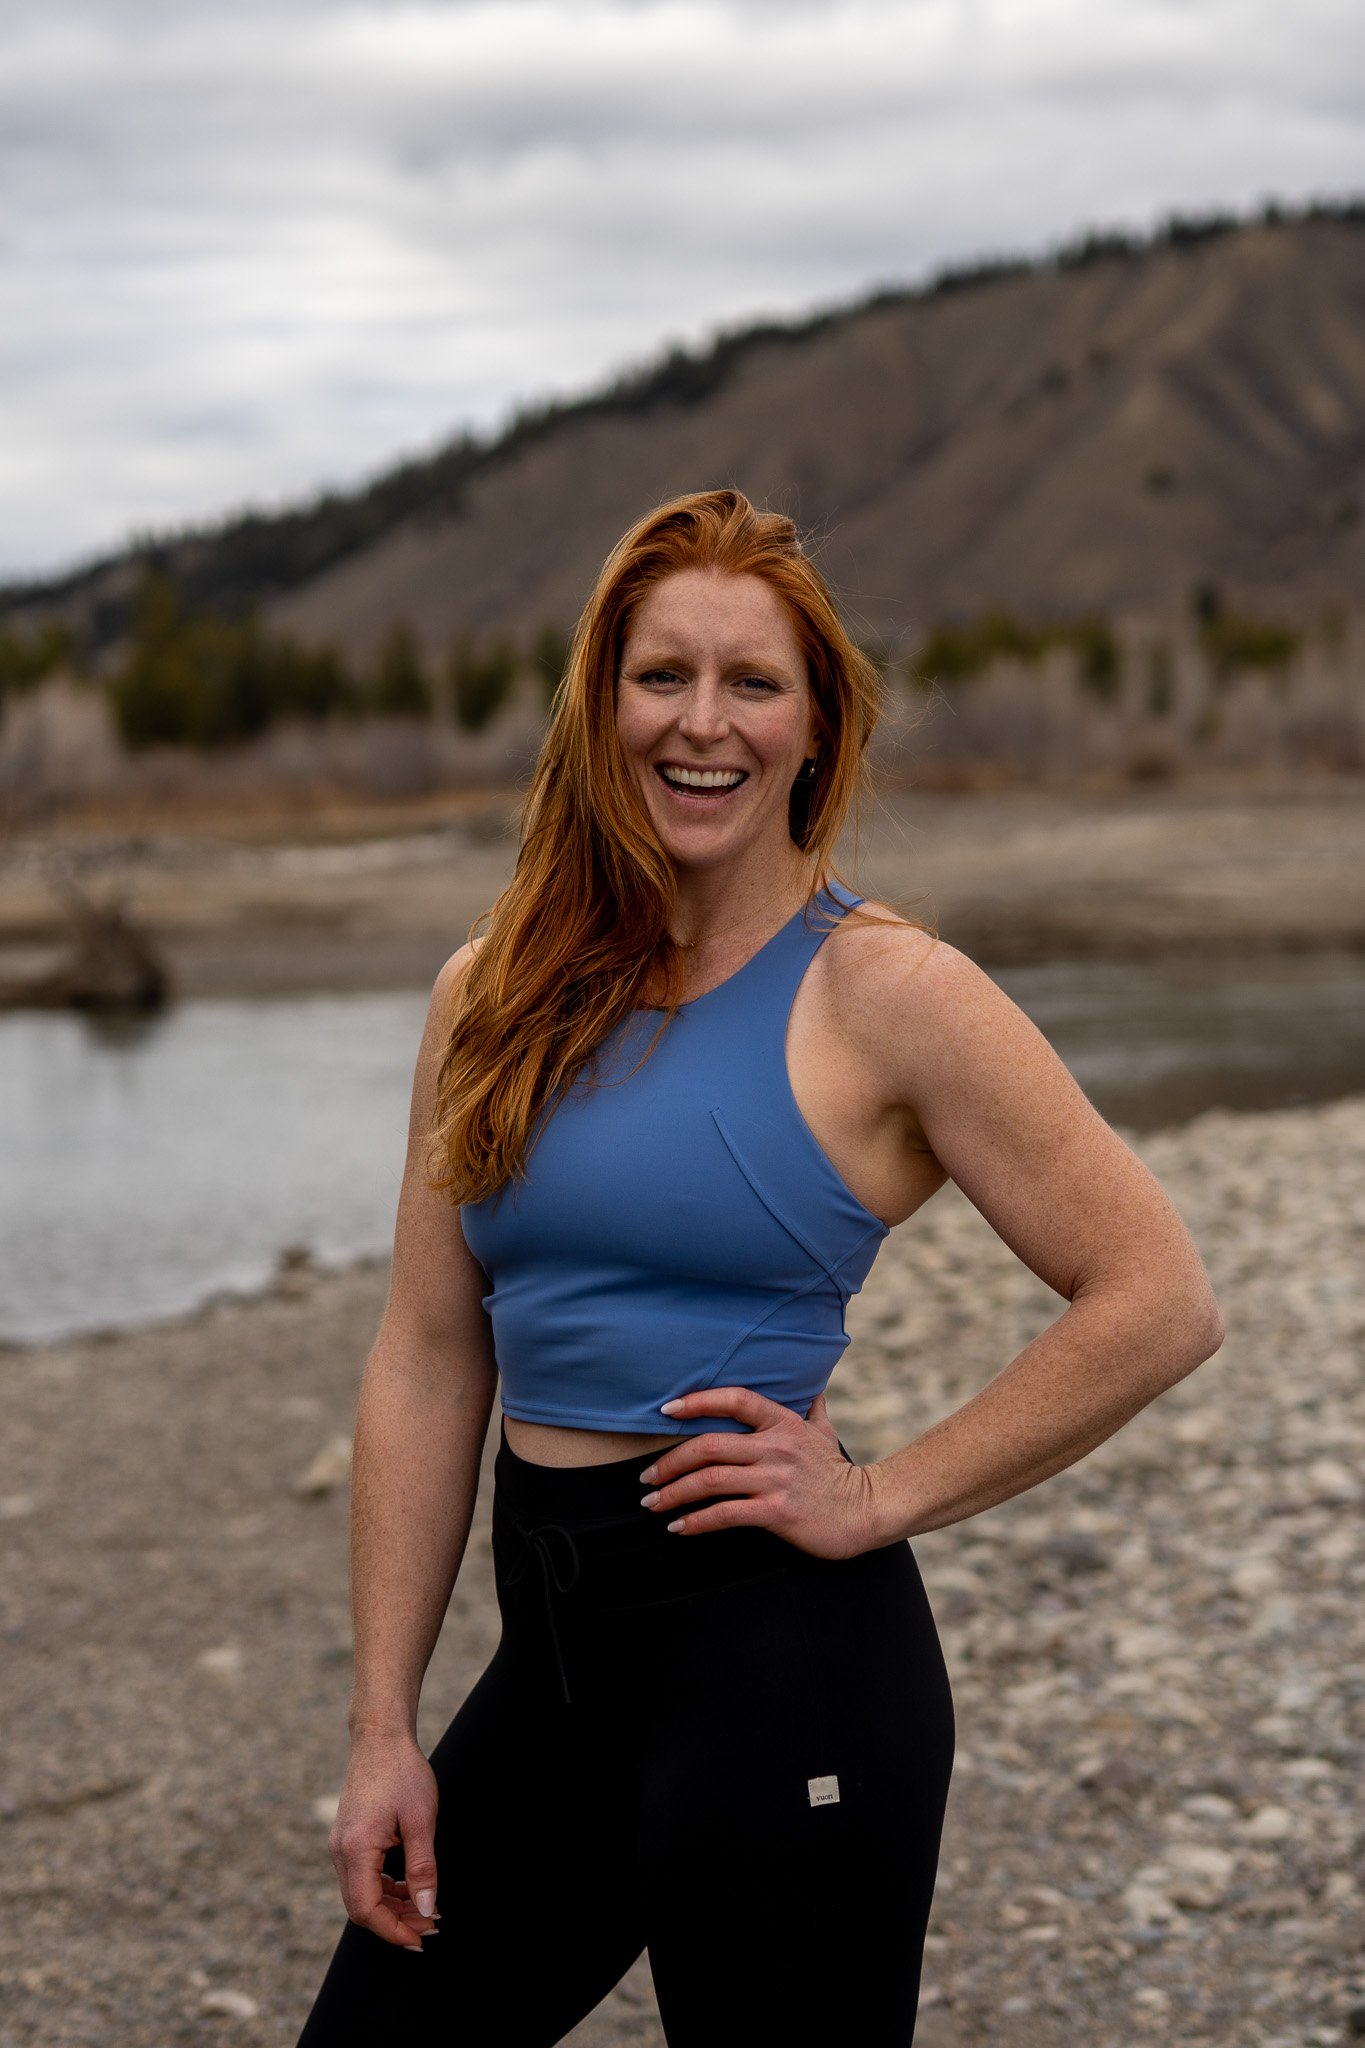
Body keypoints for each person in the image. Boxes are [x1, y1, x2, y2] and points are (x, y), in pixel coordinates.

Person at [296, 488, 1223, 2047]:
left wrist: (880, 1493)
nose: (699, 725)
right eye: (660, 676)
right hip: (558, 1664)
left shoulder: (889, 992)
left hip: (782, 1665)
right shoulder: (493, 988)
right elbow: (430, 1349)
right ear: (600, 703)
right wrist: (383, 1726)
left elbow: (1157, 1294)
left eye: (752, 684)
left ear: (812, 726)